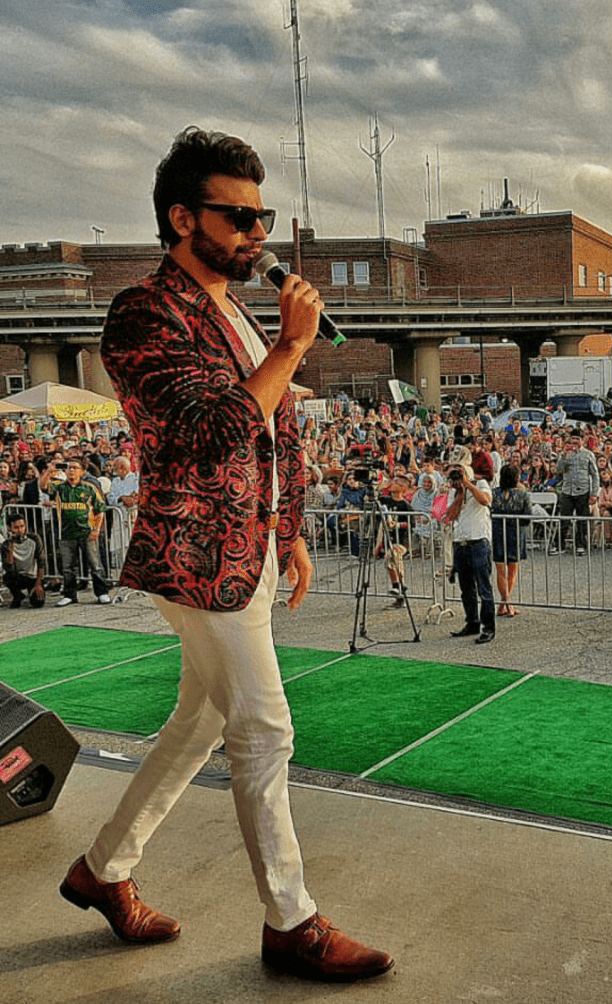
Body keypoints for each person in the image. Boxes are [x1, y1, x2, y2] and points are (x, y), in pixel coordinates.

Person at [59, 128, 392, 982]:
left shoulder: (236, 310)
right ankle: (293, 924)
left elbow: (278, 429)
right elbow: (208, 435)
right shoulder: (143, 314)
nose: (257, 233)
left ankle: (103, 870)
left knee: (201, 723)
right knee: (264, 729)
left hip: (250, 549)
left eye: (262, 214)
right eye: (237, 215)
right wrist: (290, 347)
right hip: (197, 557)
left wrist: (293, 533)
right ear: (181, 217)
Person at [39, 457, 111, 607]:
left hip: (86, 531)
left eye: (75, 468)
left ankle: (102, 592)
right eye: (69, 467)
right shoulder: (60, 487)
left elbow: (100, 510)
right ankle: (70, 594)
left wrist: (96, 529)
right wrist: (50, 470)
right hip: (66, 532)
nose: (71, 470)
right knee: (68, 566)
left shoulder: (89, 487)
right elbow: (44, 486)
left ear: (82, 471)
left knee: (95, 564)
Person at [446, 450, 495, 643]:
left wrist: (468, 485)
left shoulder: (480, 484)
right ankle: (472, 622)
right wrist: (460, 491)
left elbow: (485, 501)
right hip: (461, 542)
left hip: (478, 541)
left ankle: (488, 627)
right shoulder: (453, 491)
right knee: (466, 588)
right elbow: (451, 514)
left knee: (484, 588)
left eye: (460, 470)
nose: (457, 474)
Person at [490, 464, 531, 616]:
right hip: (516, 533)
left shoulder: (494, 493)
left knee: (500, 571)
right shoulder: (523, 494)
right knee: (512, 571)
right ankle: (507, 603)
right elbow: (527, 517)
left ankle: (504, 603)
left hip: (498, 533)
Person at [550, 433, 599, 556]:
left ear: (582, 440)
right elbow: (558, 470)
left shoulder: (588, 454)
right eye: (573, 439)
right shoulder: (565, 454)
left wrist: (594, 493)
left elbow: (595, 474)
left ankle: (580, 545)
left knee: (582, 520)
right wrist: (564, 456)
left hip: (583, 490)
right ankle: (559, 545)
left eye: (577, 439)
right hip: (567, 490)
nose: (575, 441)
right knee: (564, 519)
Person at [1, 514, 46, 608]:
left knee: (38, 602)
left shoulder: (34, 538)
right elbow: (8, 567)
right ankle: (17, 596)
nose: (20, 530)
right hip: (18, 576)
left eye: (22, 526)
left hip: (33, 576)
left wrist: (38, 583)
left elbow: (41, 561)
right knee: (7, 577)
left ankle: (31, 591)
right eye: (16, 527)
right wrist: (10, 551)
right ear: (10, 529)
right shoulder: (5, 545)